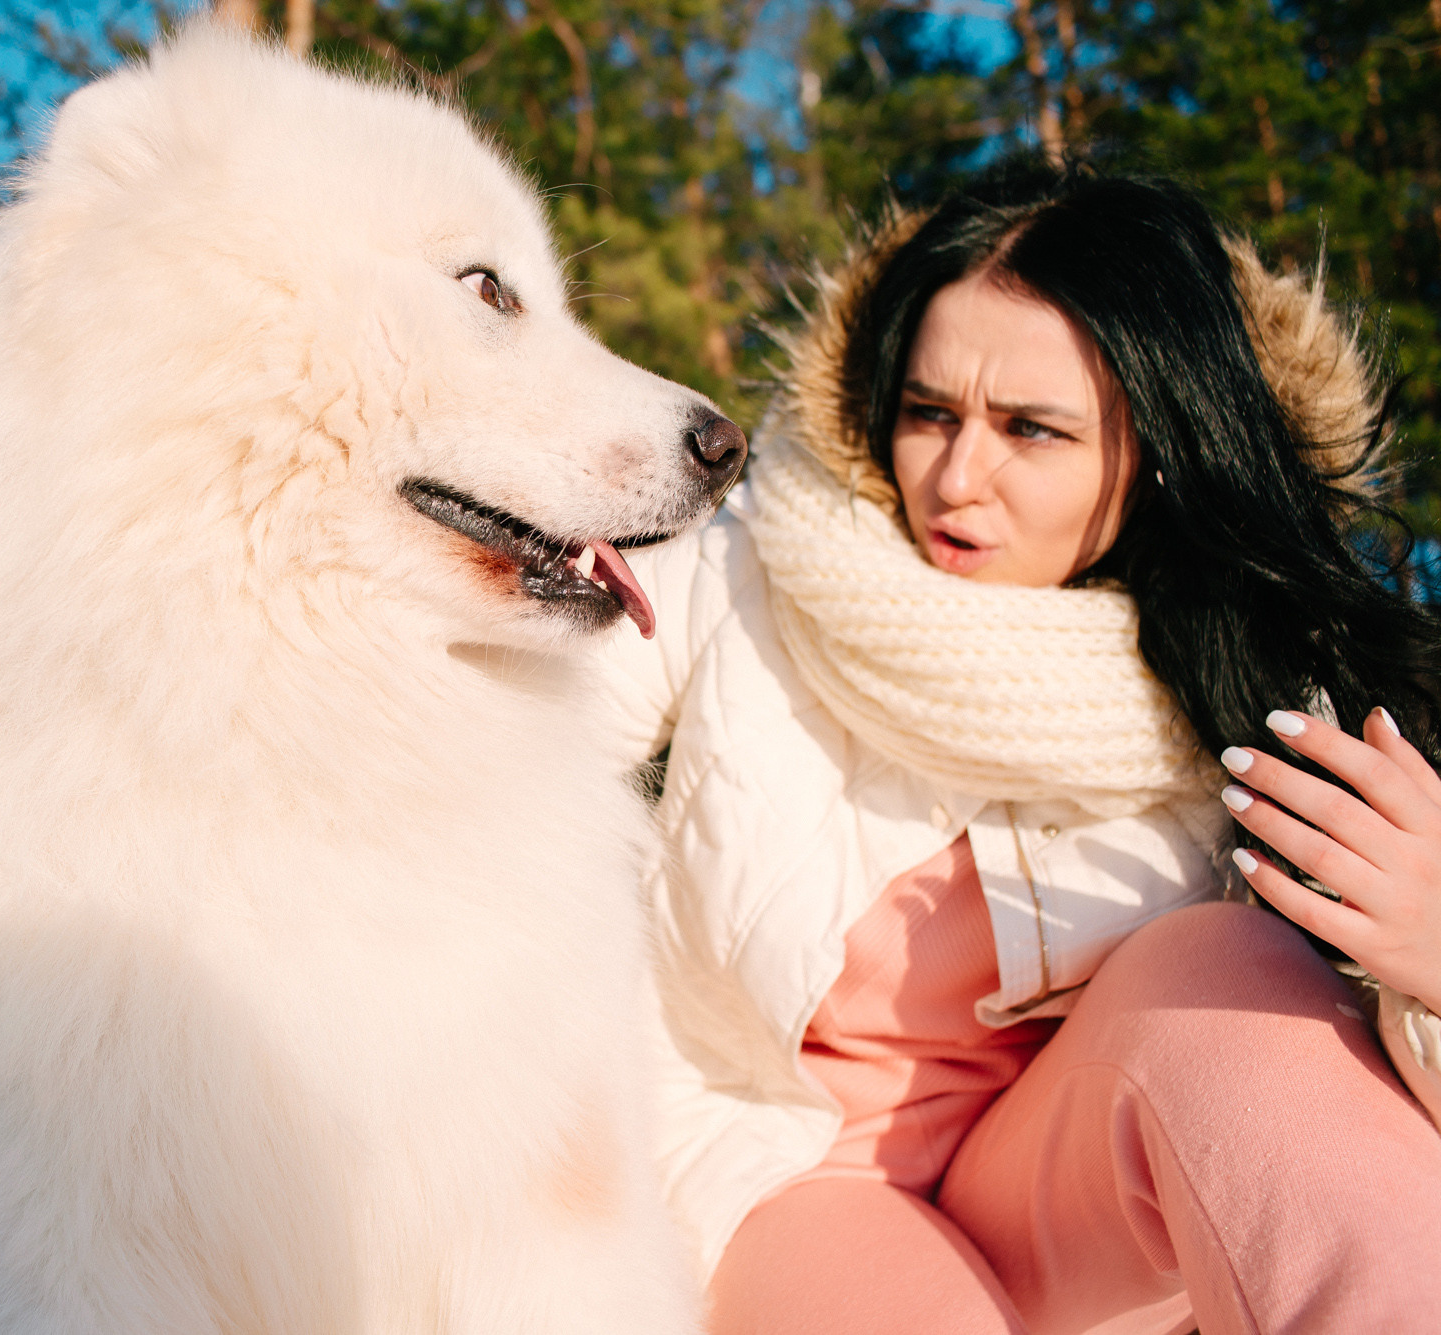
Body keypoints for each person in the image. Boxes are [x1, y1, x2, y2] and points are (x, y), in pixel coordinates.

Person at [602, 159, 1441, 1334]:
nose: (955, 479)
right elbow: (505, 723)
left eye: (1030, 430)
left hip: (1083, 1193)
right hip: (783, 1166)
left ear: (1154, 448)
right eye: (928, 413)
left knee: (1222, 964)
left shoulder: (1258, 674)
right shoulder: (761, 562)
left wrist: (1429, 959)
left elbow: (1354, 1134)